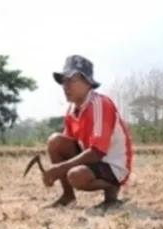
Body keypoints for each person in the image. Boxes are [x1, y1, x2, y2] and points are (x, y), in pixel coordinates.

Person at [43, 55, 134, 210]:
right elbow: (68, 145)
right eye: (63, 80)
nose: (66, 85)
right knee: (55, 142)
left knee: (75, 175)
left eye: (72, 79)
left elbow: (97, 152)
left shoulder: (99, 105)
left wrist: (61, 168)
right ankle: (68, 197)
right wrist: (59, 167)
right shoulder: (72, 110)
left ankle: (112, 191)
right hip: (94, 159)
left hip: (112, 164)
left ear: (88, 83)